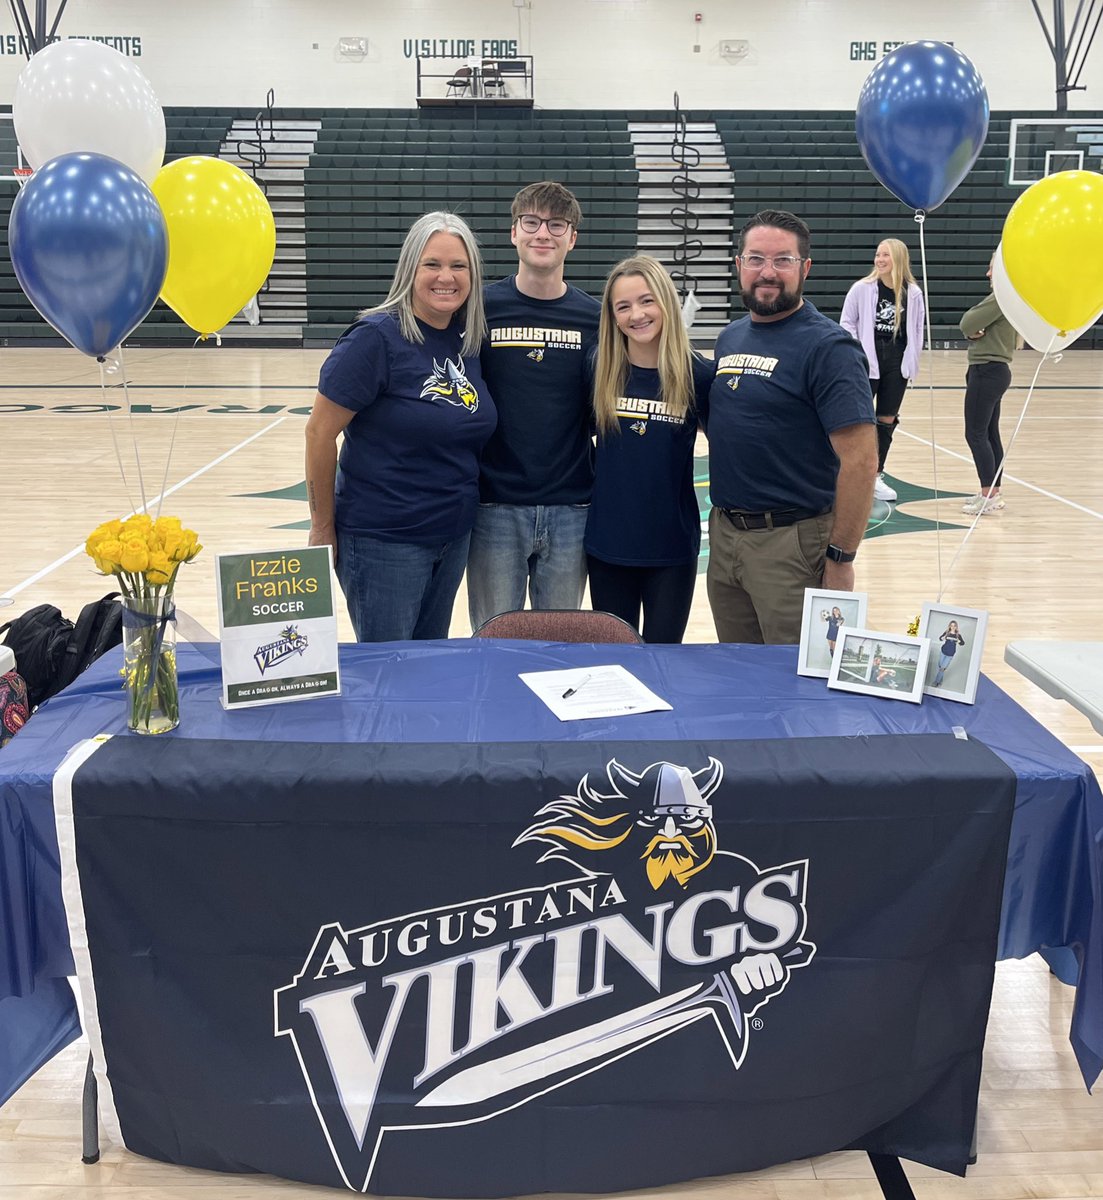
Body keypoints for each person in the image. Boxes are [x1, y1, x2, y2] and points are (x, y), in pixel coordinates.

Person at [304, 212, 496, 642]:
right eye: (432, 264)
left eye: (458, 266)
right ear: (410, 268)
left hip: (452, 538)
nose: (445, 277)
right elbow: (319, 432)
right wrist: (322, 525)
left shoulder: (466, 340)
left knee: (427, 671)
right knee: (387, 674)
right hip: (383, 543)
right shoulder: (374, 338)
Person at [706, 210, 877, 645]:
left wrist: (840, 559)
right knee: (738, 672)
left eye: (782, 260)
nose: (767, 272)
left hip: (792, 544)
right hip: (725, 538)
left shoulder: (829, 347)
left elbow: (860, 461)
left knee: (795, 683)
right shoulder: (731, 337)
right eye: (755, 259)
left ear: (805, 269)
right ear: (738, 265)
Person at [467, 181, 601, 631]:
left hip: (572, 508)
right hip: (494, 508)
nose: (543, 233)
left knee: (560, 649)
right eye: (532, 222)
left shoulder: (594, 316)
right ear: (514, 233)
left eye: (556, 224)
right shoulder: (481, 308)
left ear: (572, 238)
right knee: (491, 641)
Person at [585, 255, 714, 643]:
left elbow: (732, 450)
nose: (636, 314)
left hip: (671, 549)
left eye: (646, 301)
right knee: (615, 662)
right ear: (612, 316)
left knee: (664, 662)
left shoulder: (699, 375)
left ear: (666, 303)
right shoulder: (598, 368)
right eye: (623, 306)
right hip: (608, 547)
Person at [840, 238, 925, 503]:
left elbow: (918, 330)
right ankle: (846, 474)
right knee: (858, 421)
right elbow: (846, 322)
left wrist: (912, 360)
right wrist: (856, 352)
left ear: (898, 259)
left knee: (886, 420)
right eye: (877, 254)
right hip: (867, 362)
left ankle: (875, 476)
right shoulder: (862, 289)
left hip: (896, 363)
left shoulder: (913, 293)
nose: (879, 259)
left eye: (885, 255)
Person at [959, 257, 1015, 515]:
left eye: (992, 267)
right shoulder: (1006, 299)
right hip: (994, 370)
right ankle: (993, 491)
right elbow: (972, 327)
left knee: (976, 433)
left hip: (987, 370)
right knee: (990, 432)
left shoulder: (1001, 297)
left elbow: (967, 322)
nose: (987, 273)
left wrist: (971, 330)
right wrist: (972, 332)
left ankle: (988, 494)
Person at [932, 621, 966, 687]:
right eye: (951, 625)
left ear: (956, 627)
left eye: (954, 626)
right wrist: (943, 638)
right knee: (940, 666)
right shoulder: (947, 633)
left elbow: (963, 643)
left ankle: (936, 682)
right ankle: (940, 681)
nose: (953, 627)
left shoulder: (958, 635)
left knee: (942, 668)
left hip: (950, 654)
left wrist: (959, 641)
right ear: (950, 626)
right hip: (943, 651)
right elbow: (940, 638)